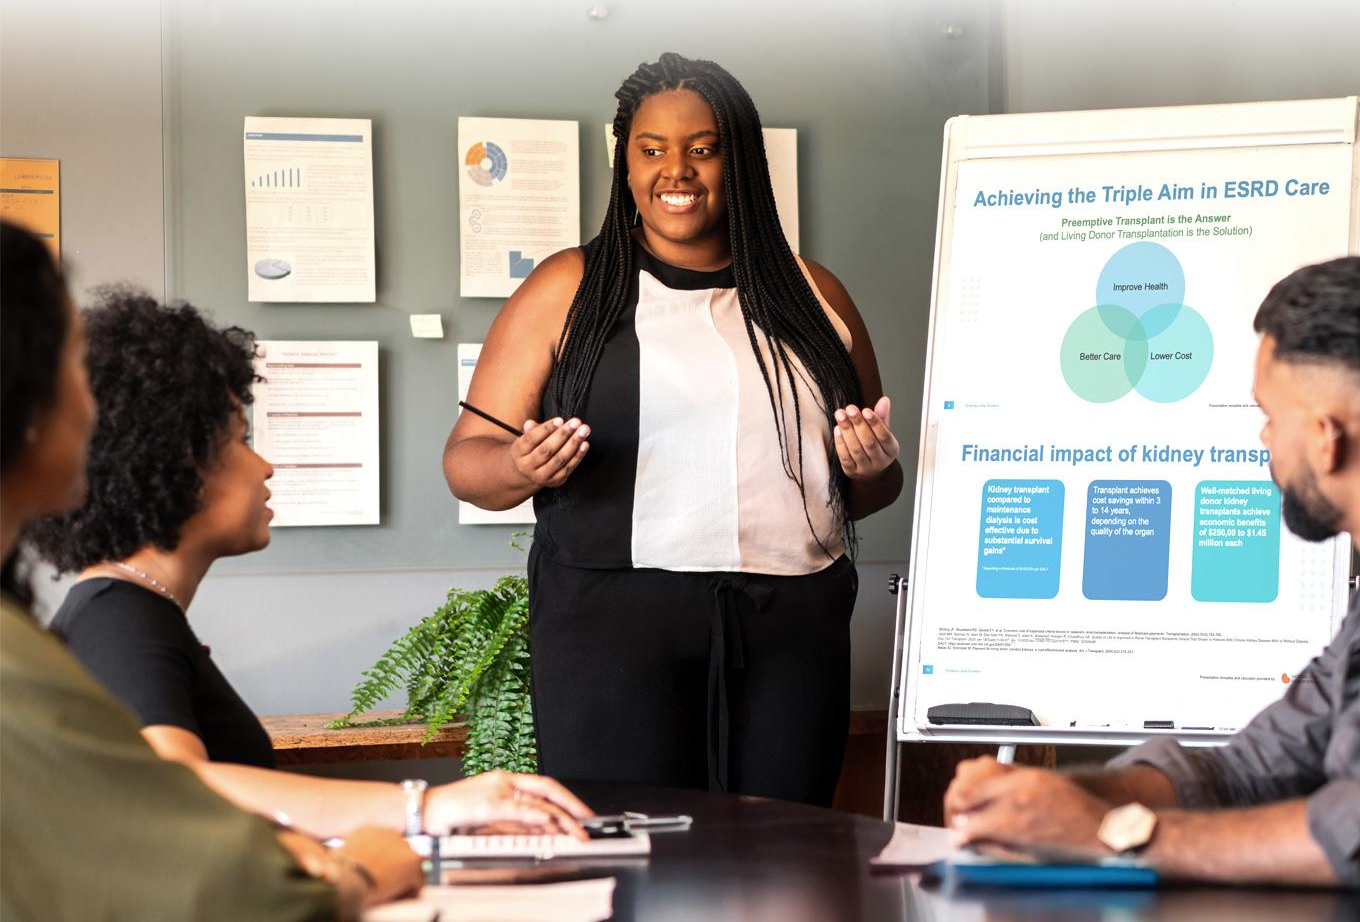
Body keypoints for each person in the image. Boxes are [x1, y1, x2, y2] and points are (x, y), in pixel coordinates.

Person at [943, 256, 1360, 885]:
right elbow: (1254, 766)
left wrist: (1115, 835)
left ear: (1326, 438)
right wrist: (1053, 796)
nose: (1262, 440)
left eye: (1268, 414)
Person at [443, 52, 904, 805]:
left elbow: (874, 489)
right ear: (625, 165)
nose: (676, 171)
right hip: (612, 632)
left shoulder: (814, 295)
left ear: (742, 161)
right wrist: (523, 467)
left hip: (791, 628)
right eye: (651, 150)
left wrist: (868, 464)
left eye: (703, 148)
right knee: (629, 859)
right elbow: (468, 461)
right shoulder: (570, 287)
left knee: (786, 859)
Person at [30, 289, 595, 841]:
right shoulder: (120, 618)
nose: (264, 465)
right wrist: (427, 807)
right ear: (177, 467)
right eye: (241, 440)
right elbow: (173, 786)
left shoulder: (130, 608)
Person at [0, 221, 420, 920]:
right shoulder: (113, 619)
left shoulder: (101, 618)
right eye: (70, 365)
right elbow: (178, 805)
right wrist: (396, 835)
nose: (89, 403)